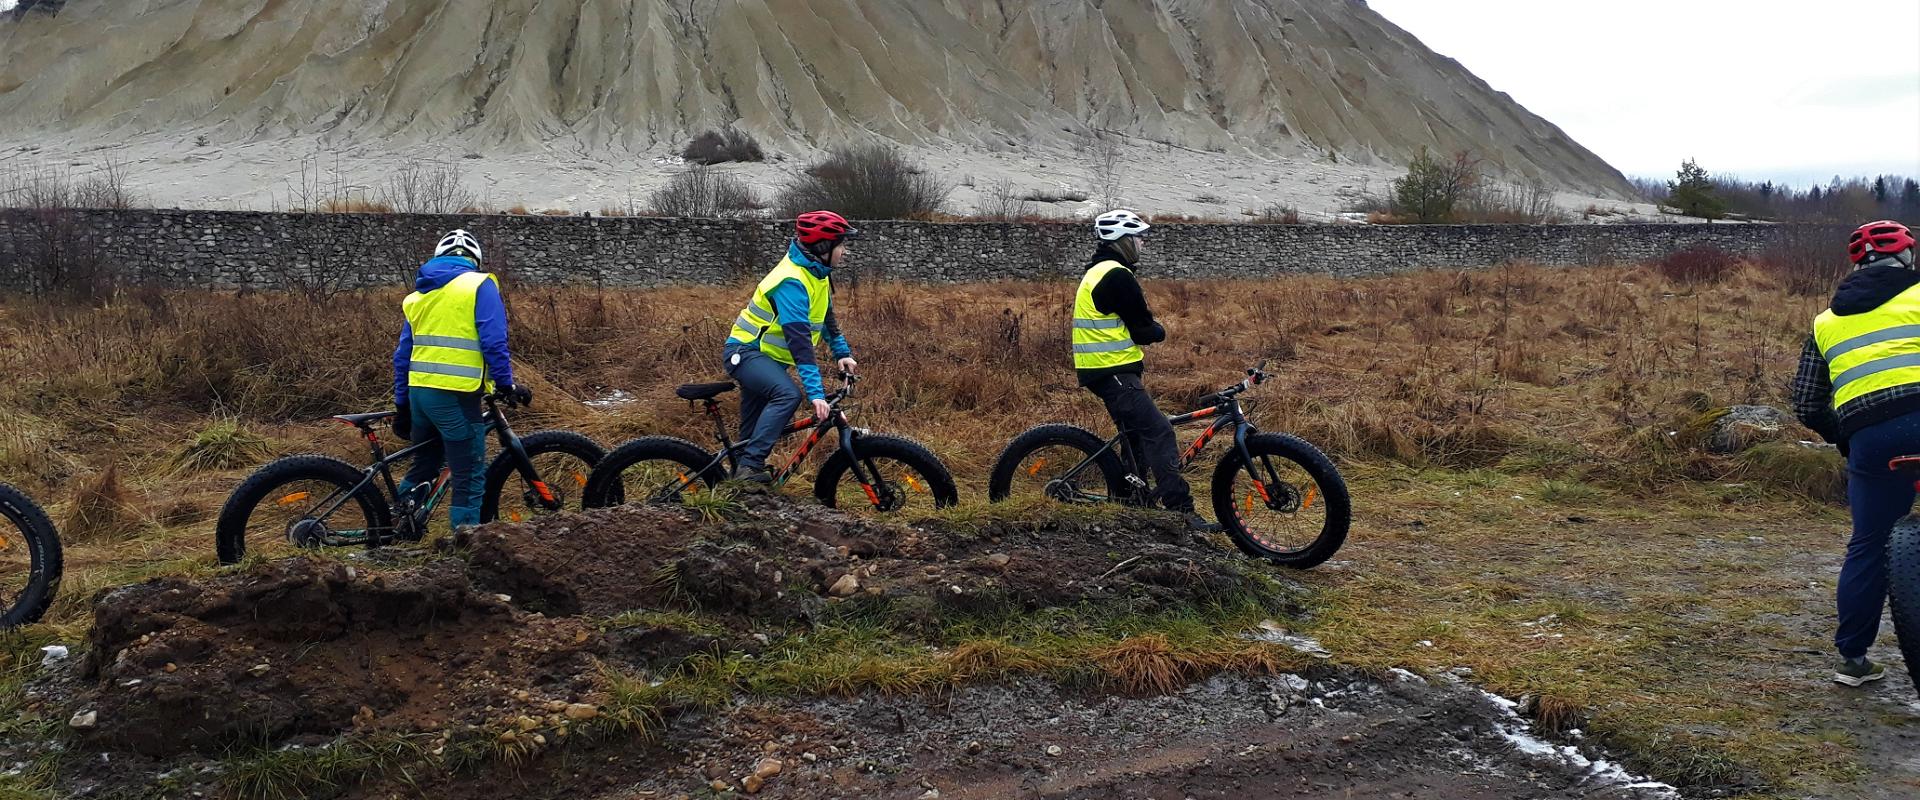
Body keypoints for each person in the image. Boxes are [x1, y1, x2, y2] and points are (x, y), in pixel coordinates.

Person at [1791, 219, 1920, 687]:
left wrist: (1845, 435)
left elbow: (1806, 402)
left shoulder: (1826, 321)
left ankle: (1853, 660)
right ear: (1906, 258)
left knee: (1867, 545)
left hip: (1870, 438)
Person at [1073, 209, 1214, 530]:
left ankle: (1129, 504)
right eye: (1138, 237)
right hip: (1112, 372)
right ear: (1121, 240)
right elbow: (1142, 329)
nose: (1142, 243)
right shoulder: (1116, 275)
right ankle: (1181, 511)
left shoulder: (1099, 270)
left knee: (1135, 439)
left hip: (1105, 371)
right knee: (1159, 431)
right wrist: (1159, 330)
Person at [390, 229, 530, 530]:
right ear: (474, 260)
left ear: (439, 257)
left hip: (419, 397)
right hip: (455, 396)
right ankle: (465, 547)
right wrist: (506, 385)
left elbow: (403, 355)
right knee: (468, 475)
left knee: (425, 463)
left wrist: (402, 404)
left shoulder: (418, 295)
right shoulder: (479, 285)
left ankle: (395, 524)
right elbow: (493, 342)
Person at [723, 211, 860, 483]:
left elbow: (826, 319)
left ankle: (736, 490)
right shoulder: (793, 280)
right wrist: (816, 394)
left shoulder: (816, 274)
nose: (844, 252)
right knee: (787, 395)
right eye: (841, 245)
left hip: (767, 360)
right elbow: (799, 342)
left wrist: (842, 353)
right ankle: (749, 469)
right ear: (823, 247)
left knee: (749, 436)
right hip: (747, 353)